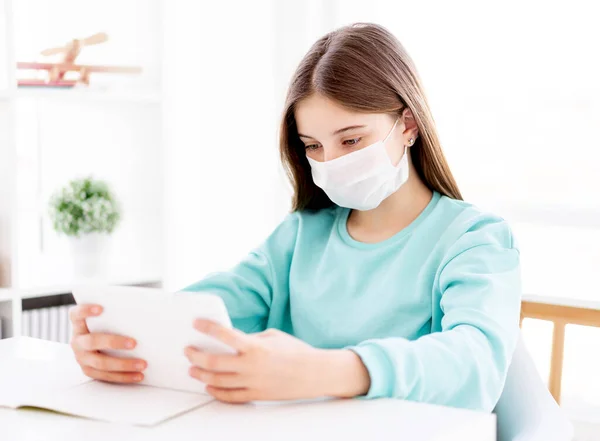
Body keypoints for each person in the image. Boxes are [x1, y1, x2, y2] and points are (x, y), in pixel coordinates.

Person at [69, 23, 521, 411]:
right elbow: (213, 307)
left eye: (351, 140)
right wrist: (125, 335)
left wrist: (331, 370)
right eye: (313, 146)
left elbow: (476, 360)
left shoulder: (474, 238)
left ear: (407, 124)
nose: (330, 161)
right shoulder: (302, 234)